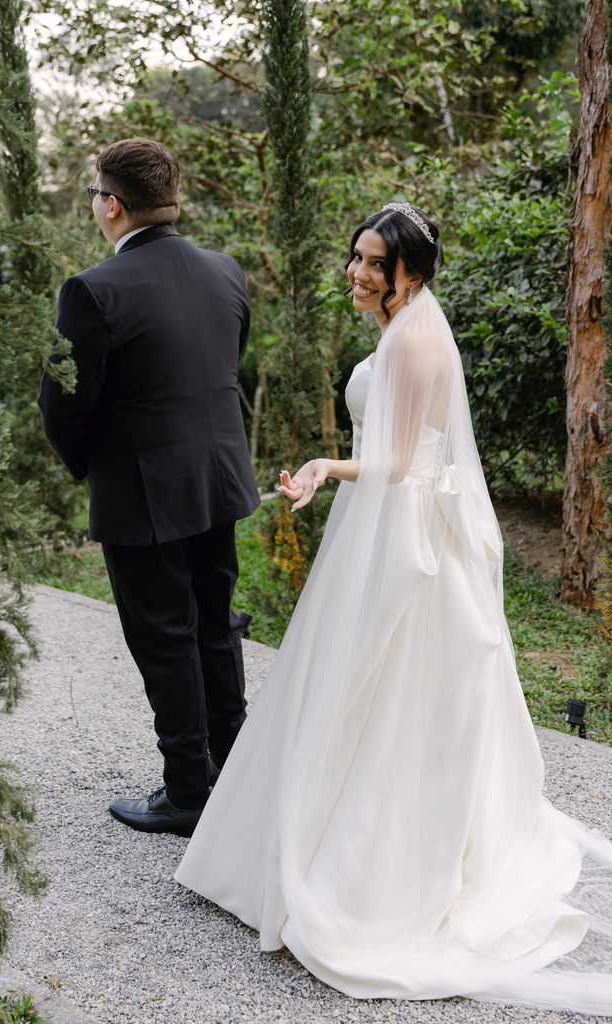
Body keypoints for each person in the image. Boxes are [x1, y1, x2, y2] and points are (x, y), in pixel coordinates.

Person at [176, 203, 612, 1014]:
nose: (359, 272)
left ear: (409, 271)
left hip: (402, 531)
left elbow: (402, 461)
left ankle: (365, 868)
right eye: (358, 256)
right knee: (360, 680)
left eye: (376, 263)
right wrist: (335, 470)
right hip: (388, 520)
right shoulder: (409, 324)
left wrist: (324, 466)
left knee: (384, 683)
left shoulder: (412, 339)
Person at [38, 137, 260, 837]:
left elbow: (62, 405)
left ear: (112, 205)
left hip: (142, 493)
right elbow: (224, 365)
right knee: (216, 626)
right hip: (219, 481)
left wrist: (96, 465)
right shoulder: (225, 271)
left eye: (94, 195)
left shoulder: (91, 290)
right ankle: (238, 774)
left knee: (164, 640)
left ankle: (188, 791)